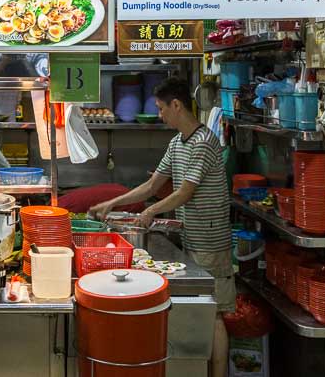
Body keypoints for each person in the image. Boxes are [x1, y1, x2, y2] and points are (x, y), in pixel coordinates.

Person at [89, 77, 234, 377]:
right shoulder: (178, 141)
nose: (159, 114)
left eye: (161, 108)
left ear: (176, 105)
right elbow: (153, 184)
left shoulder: (205, 142)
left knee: (215, 312)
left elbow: (184, 192)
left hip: (210, 240)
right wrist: (112, 204)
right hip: (189, 235)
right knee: (203, 311)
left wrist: (150, 213)